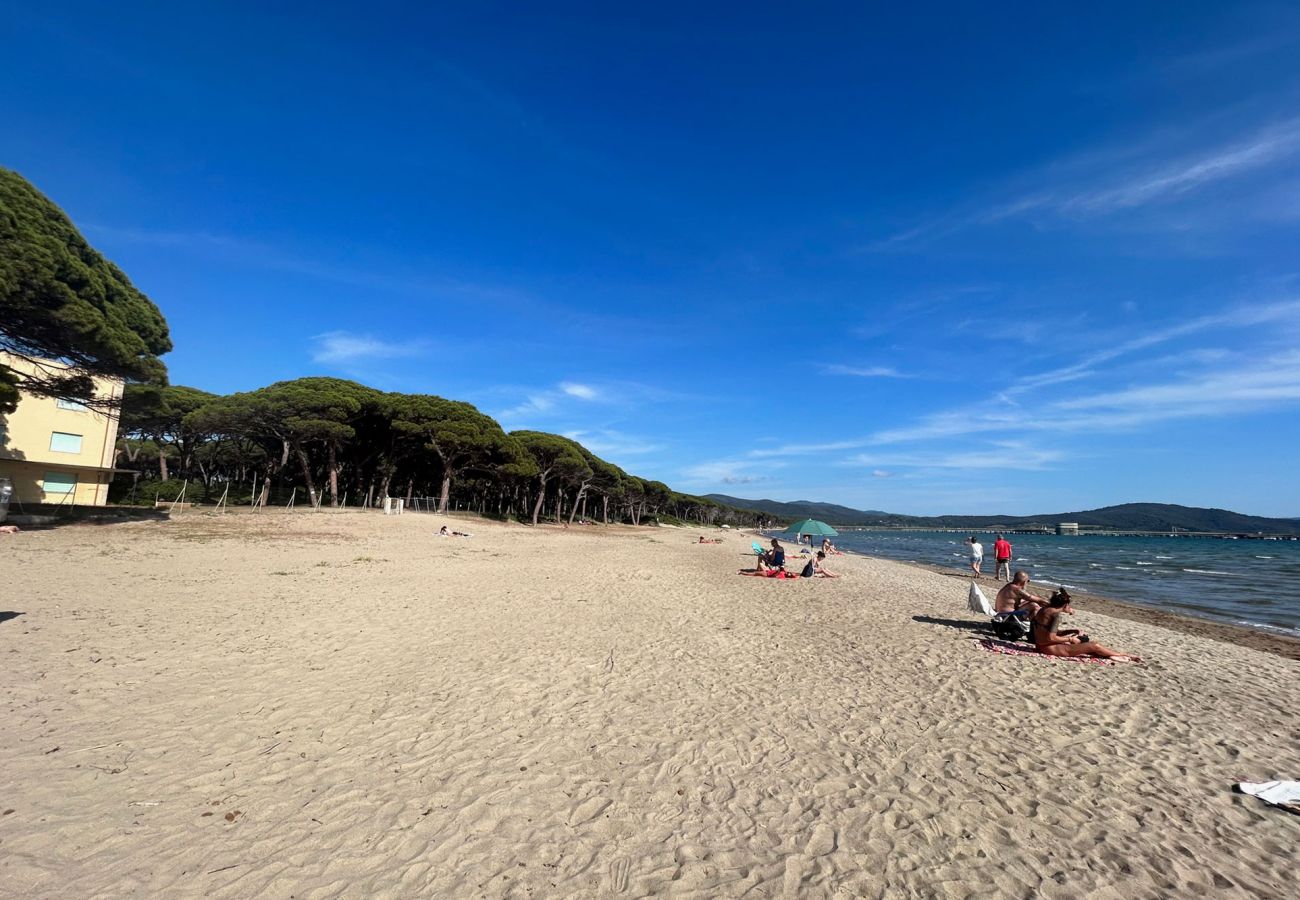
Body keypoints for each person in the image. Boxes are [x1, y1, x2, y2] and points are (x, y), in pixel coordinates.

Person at [1032, 591, 1142, 662]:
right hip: (1049, 648)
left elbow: (1047, 632)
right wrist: (1070, 639)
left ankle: (1110, 655)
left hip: (1041, 645)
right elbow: (1051, 637)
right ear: (1065, 605)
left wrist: (1072, 631)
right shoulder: (1056, 615)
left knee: (1083, 643)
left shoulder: (1044, 610)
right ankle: (1123, 655)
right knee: (1094, 645)